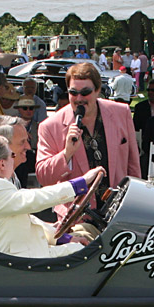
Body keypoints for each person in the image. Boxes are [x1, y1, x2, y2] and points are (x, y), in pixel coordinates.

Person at [0, 134, 103, 257]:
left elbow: (25, 218)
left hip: (19, 250)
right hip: (18, 259)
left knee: (85, 234)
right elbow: (36, 198)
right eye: (12, 156)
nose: (13, 160)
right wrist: (81, 183)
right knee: (89, 249)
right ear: (2, 164)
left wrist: (64, 239)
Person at [37, 62, 141, 218]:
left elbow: (133, 166)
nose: (79, 98)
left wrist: (135, 207)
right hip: (76, 219)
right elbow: (44, 177)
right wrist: (66, 154)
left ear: (98, 90)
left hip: (118, 214)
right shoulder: (50, 126)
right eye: (73, 93)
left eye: (85, 92)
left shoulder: (121, 113)